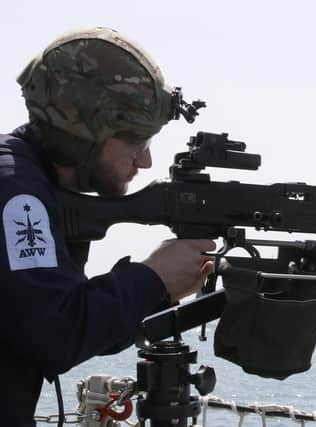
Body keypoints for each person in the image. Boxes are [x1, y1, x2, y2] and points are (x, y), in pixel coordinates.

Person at [0, 28, 215, 426]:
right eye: (136, 142)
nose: (145, 161)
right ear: (83, 133)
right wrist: (151, 280)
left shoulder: (29, 183)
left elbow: (67, 327)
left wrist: (160, 291)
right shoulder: (16, 193)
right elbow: (53, 335)